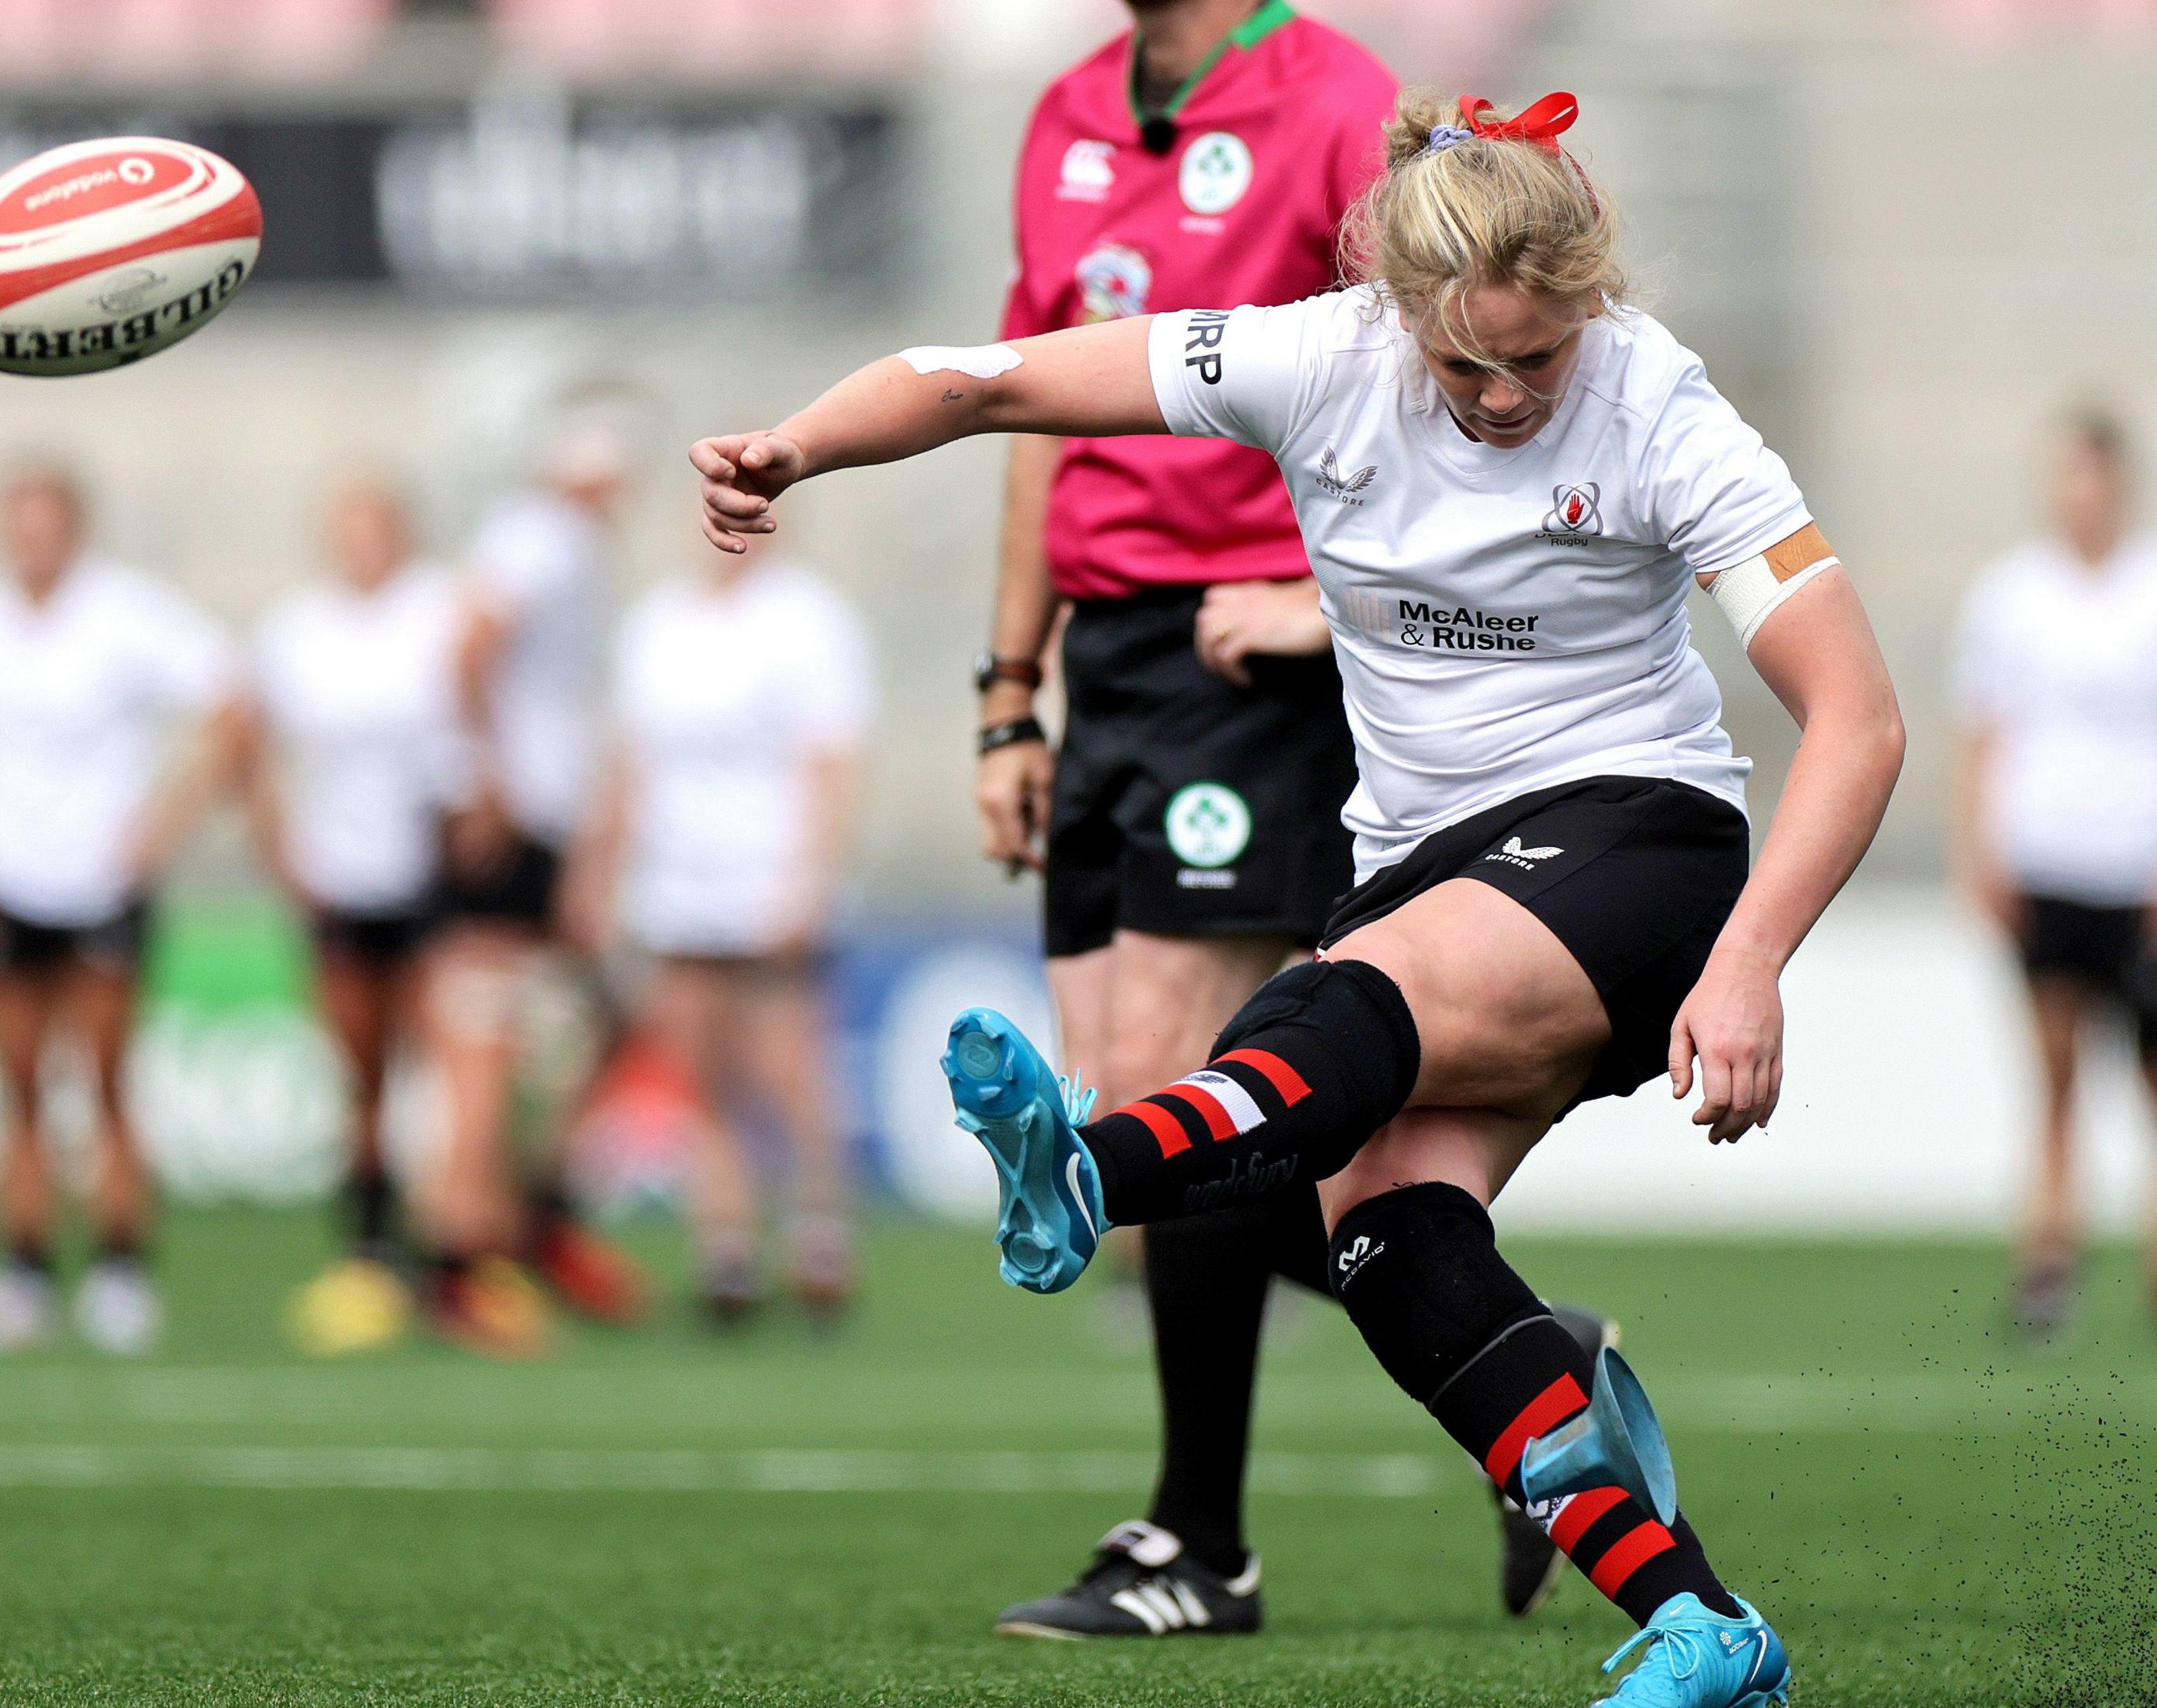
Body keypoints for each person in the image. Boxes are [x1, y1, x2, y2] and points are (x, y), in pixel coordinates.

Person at [693, 89, 1902, 1708]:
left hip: (1641, 844)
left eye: (1534, 360)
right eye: (1462, 361)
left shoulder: (1659, 406)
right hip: (1426, 863)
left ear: (1591, 303)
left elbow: (1860, 716)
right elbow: (989, 381)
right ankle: (1705, 1629)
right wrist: (799, 447)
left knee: (1322, 1015)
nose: (1496, 395)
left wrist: (1752, 964)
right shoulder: (1312, 360)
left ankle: (1090, 1174)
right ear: (1397, 309)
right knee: (1395, 1251)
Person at [980, 0, 1600, 1636]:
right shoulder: (1064, 116)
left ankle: (1200, 1548)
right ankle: (1532, 1365)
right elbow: (1038, 408)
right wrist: (1006, 694)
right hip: (1106, 666)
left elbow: (1445, 384)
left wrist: (1326, 602)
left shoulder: (1335, 101)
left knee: (1176, 1104)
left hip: (1243, 649)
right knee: (1146, 1134)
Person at [0, 460, 240, 1355]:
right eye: (17, 522)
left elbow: (231, 703)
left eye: (47, 522)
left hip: (101, 882)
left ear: (76, 528)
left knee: (105, 1084)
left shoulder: (125, 614)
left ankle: (120, 1267)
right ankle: (22, 1267)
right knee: (17, 1090)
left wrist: (165, 821)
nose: (32, 539)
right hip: (6, 880)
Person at [1948, 407, 2157, 1340]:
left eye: (2092, 477)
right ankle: (2049, 1255)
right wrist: (1980, 853)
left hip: (2143, 870)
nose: (2078, 496)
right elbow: (1982, 734)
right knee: (2055, 1072)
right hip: (2047, 862)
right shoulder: (2010, 595)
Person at [565, 547, 871, 1322]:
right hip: (677, 883)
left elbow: (831, 759)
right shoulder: (657, 626)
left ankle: (820, 1238)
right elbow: (628, 762)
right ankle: (727, 1246)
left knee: (789, 1069)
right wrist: (598, 870)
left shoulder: (808, 618)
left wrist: (809, 878)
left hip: (768, 874)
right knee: (697, 1073)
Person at [418, 401, 647, 1354]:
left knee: (583, 1024)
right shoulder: (541, 538)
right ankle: (462, 1259)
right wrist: (489, 783)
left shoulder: (559, 544)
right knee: (485, 1043)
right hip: (512, 825)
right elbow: (468, 649)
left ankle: (519, 1225)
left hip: (533, 821)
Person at [245, 475, 463, 1355]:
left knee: (442, 1077)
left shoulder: (439, 613)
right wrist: (280, 849)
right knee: (361, 1076)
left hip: (429, 876)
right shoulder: (298, 632)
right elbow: (246, 741)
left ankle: (454, 1254)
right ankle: (370, 1255)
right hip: (340, 879)